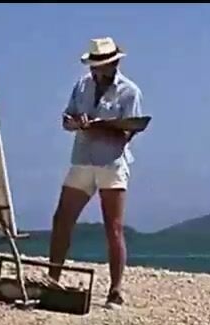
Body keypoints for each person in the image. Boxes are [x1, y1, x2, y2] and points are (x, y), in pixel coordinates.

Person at [48, 37, 148, 309]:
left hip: (111, 163)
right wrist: (76, 123)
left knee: (113, 227)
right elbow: (66, 119)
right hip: (82, 159)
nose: (96, 70)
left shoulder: (129, 92)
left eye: (101, 65)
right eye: (94, 65)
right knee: (62, 219)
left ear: (113, 64)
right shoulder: (82, 85)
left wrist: (102, 127)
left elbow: (129, 132)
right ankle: (53, 278)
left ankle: (115, 289)